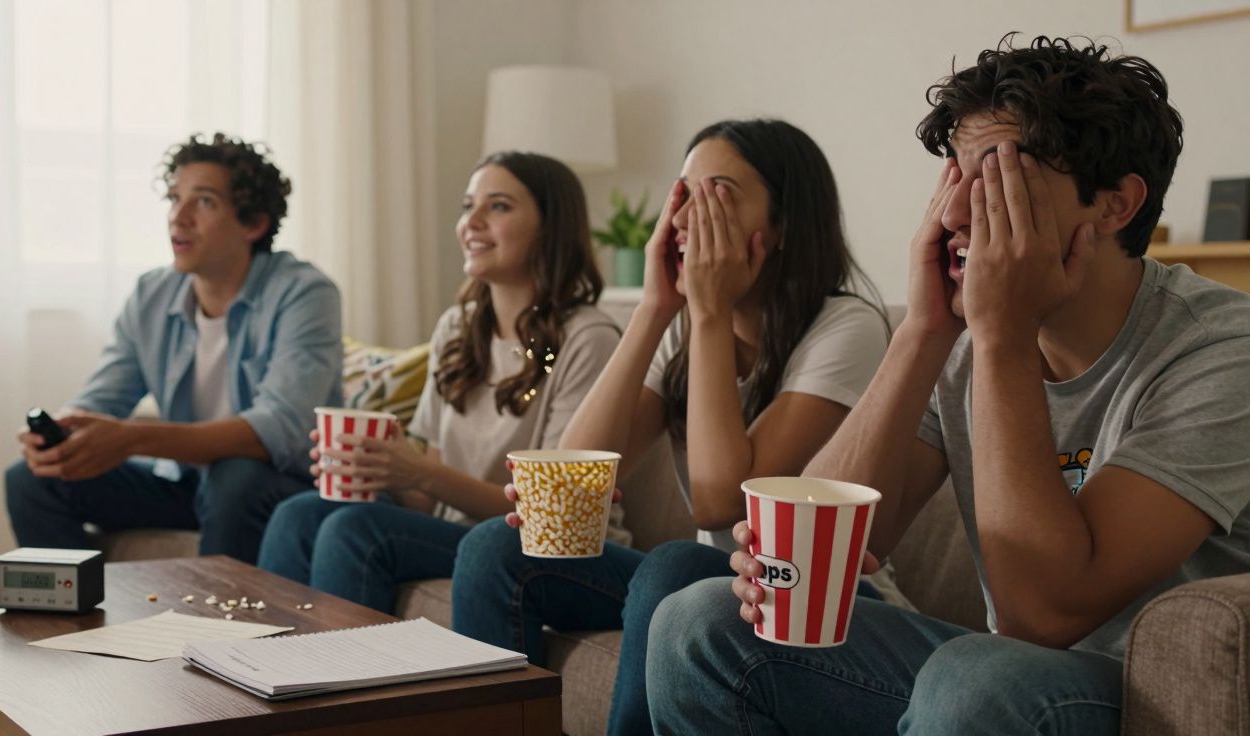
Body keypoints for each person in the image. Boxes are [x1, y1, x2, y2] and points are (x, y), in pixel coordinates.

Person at [646, 34, 1250, 735]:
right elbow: (817, 557)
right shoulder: (963, 338)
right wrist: (923, 333)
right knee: (701, 620)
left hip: (1141, 694)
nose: (958, 215)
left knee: (978, 678)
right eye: (955, 180)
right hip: (999, 678)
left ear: (1115, 205)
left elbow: (1042, 615)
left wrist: (1000, 338)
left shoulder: (1219, 349)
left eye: (998, 181)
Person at [450, 119, 890, 734]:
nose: (686, 217)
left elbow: (721, 502)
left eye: (718, 195)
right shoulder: (681, 325)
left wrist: (707, 312)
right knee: (495, 546)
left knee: (676, 566)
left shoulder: (848, 328)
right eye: (682, 195)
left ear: (783, 226)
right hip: (718, 585)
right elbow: (570, 482)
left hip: (815, 601)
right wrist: (655, 308)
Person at [256, 151, 623, 612]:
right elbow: (425, 501)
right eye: (468, 206)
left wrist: (421, 472)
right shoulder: (459, 327)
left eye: (499, 206)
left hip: (537, 548)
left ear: (552, 226)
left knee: (355, 532)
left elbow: (548, 513)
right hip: (459, 535)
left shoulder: (586, 338)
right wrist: (378, 466)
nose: (472, 221)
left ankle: (342, 681)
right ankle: (264, 667)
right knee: (299, 513)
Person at [4, 133, 342, 564]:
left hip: (274, 486)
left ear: (253, 223)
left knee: (234, 474)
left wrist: (132, 439)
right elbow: (104, 396)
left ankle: (225, 629)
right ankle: (77, 623)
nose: (177, 218)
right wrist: (63, 436)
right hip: (187, 484)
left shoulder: (304, 292)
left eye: (203, 202)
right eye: (174, 198)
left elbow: (277, 429)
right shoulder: (152, 294)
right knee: (31, 479)